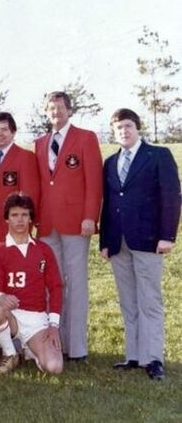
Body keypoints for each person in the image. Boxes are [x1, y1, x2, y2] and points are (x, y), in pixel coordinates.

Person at [99, 108, 181, 381]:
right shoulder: (110, 162)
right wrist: (105, 241)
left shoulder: (158, 155)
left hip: (148, 240)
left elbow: (171, 196)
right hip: (118, 242)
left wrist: (167, 236)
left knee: (150, 301)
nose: (123, 131)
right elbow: (109, 204)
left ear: (137, 127)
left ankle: (154, 358)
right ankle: (133, 355)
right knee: (128, 301)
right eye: (118, 127)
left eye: (128, 126)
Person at [34, 91, 102, 362]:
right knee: (53, 284)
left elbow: (94, 181)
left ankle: (77, 348)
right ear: (46, 112)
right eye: (51, 108)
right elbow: (42, 184)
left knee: (75, 284)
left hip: (76, 223)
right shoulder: (40, 143)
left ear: (70, 110)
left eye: (61, 107)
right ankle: (55, 343)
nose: (56, 112)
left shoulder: (85, 138)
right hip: (48, 225)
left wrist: (90, 216)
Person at [0, 194, 63, 374]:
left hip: (36, 319)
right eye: (14, 215)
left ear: (31, 218)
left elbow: (56, 287)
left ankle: (31, 349)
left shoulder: (43, 250)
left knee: (54, 367)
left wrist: (53, 325)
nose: (19, 220)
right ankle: (10, 352)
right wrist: (1, 296)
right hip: (10, 316)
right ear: (6, 219)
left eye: (24, 214)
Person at [0, 112, 40, 246]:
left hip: (12, 229)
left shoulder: (25, 157)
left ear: (13, 132)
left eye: (5, 129)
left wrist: (25, 227)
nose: (0, 133)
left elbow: (30, 196)